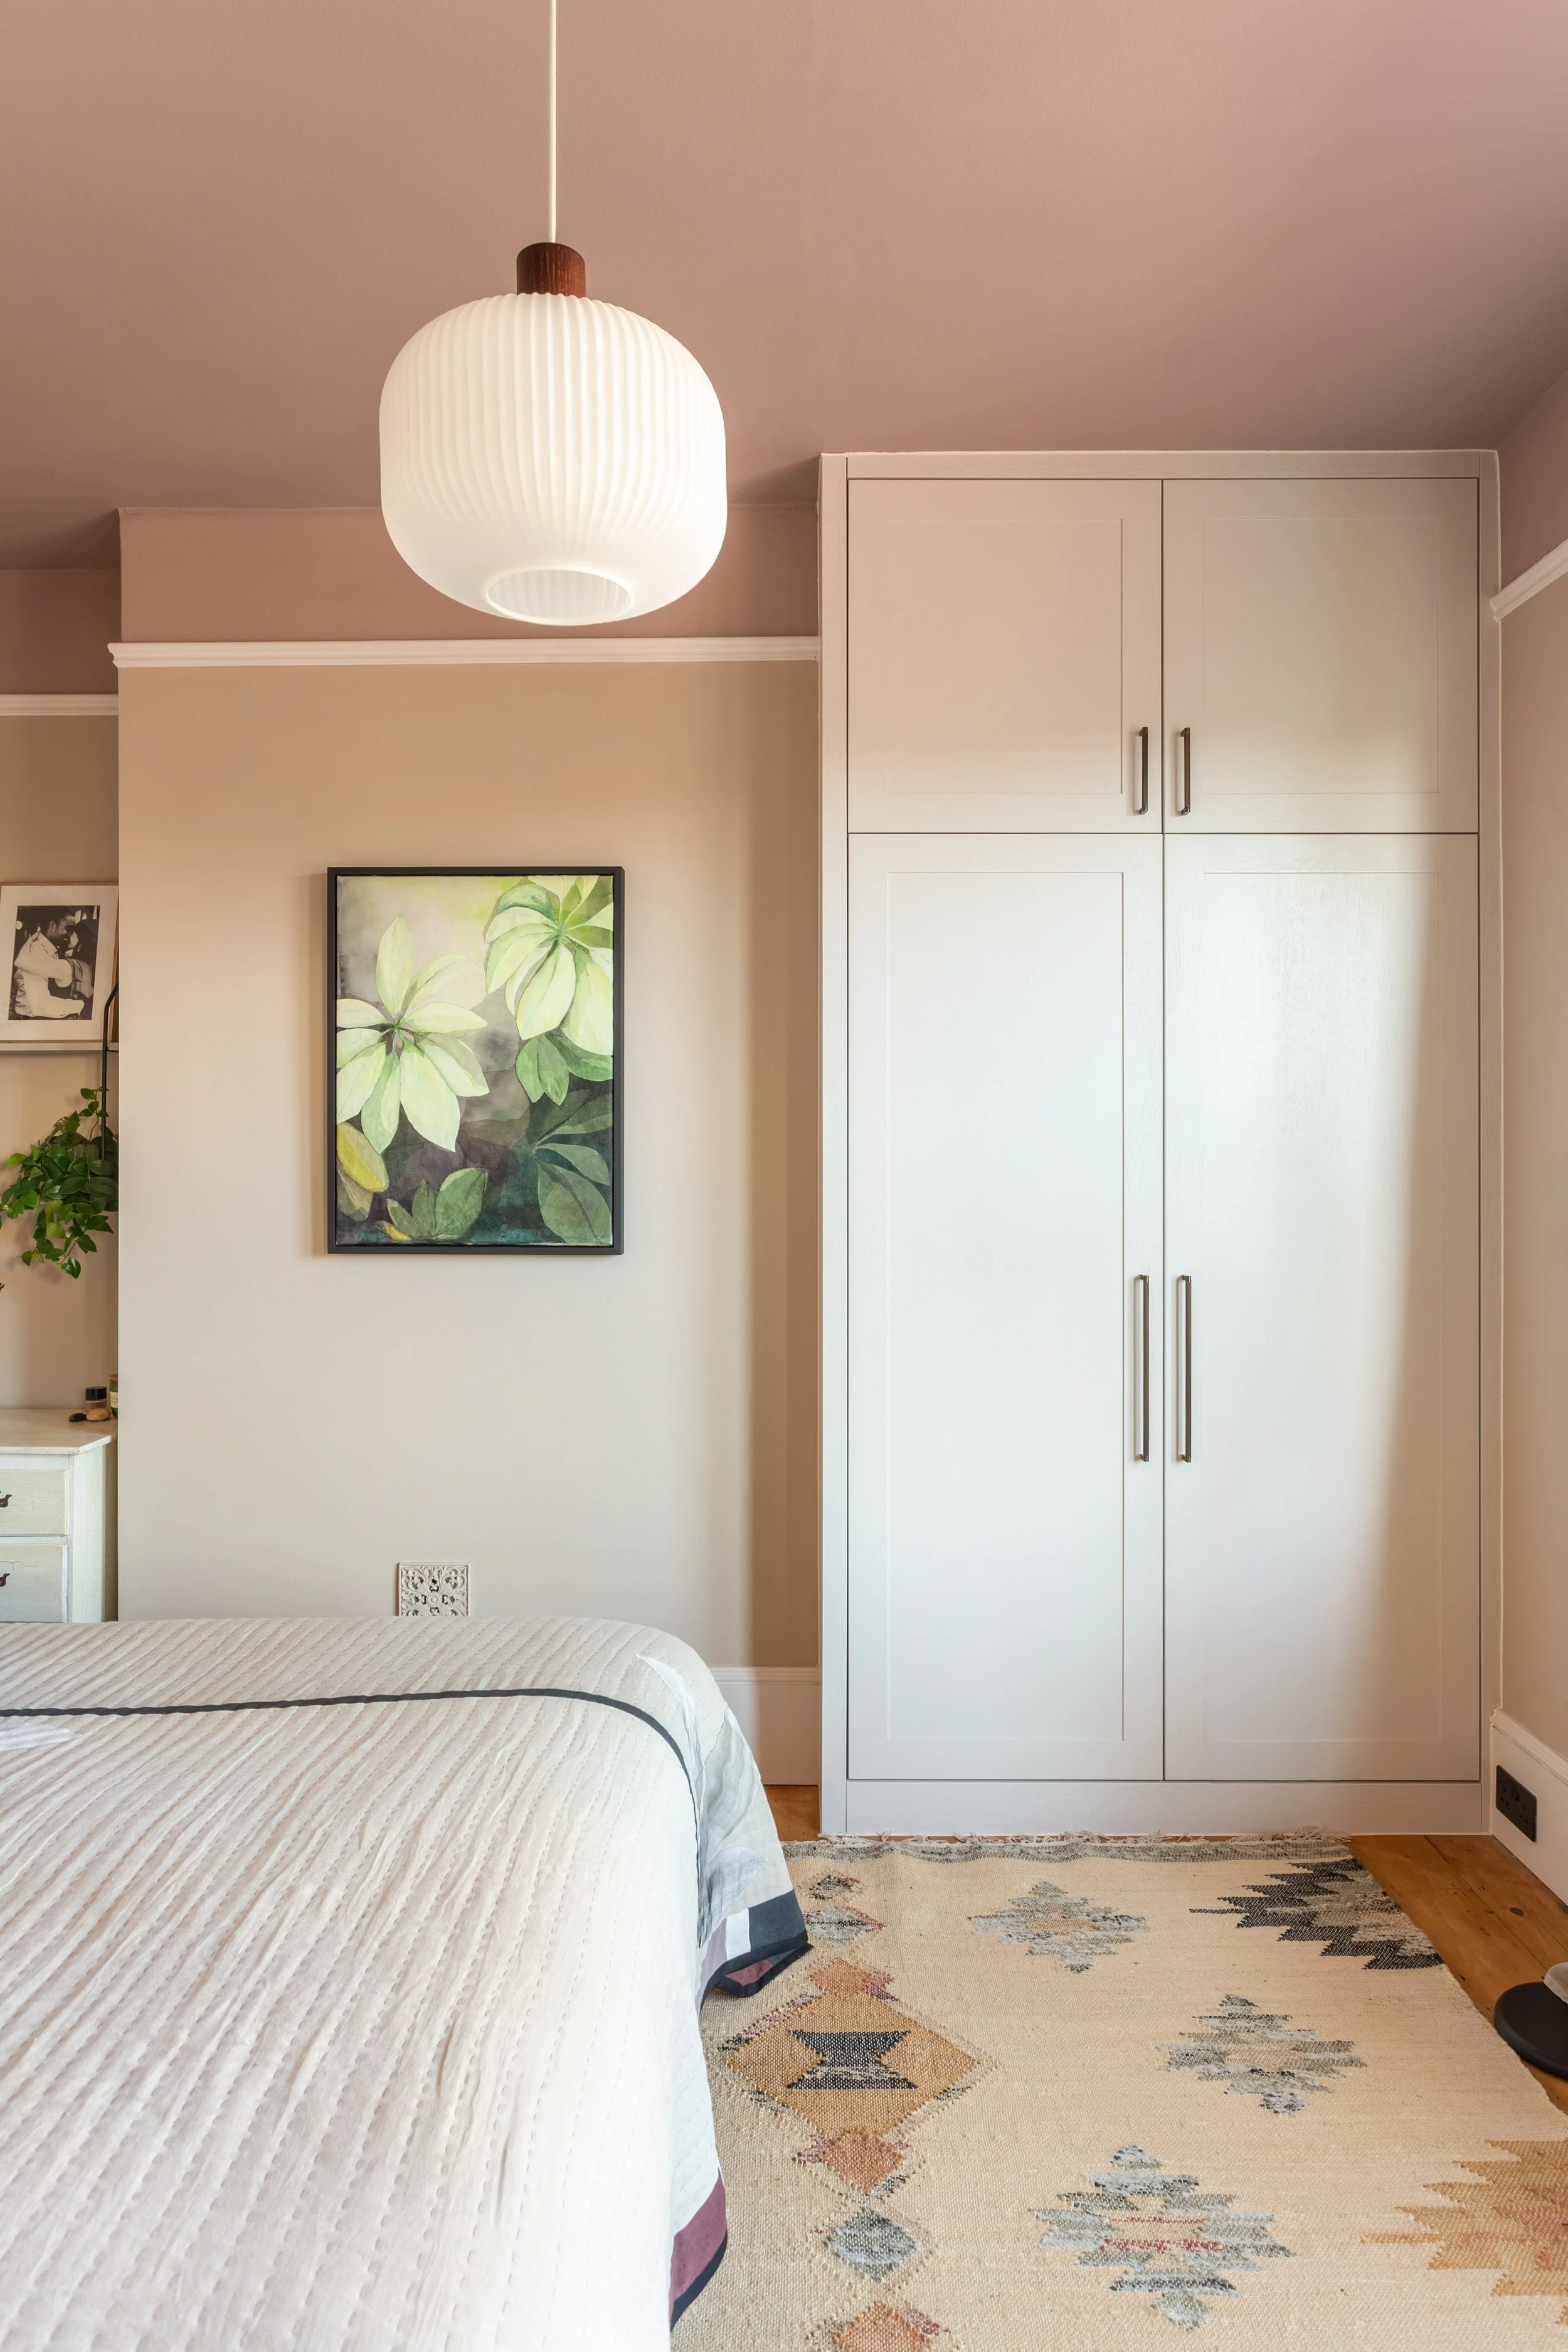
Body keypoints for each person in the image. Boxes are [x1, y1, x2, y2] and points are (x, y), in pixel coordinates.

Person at [13, 921, 82, 1019]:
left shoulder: (52, 951)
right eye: (69, 929)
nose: (71, 934)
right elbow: (40, 1005)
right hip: (33, 1023)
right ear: (53, 926)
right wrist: (81, 1006)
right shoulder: (38, 950)